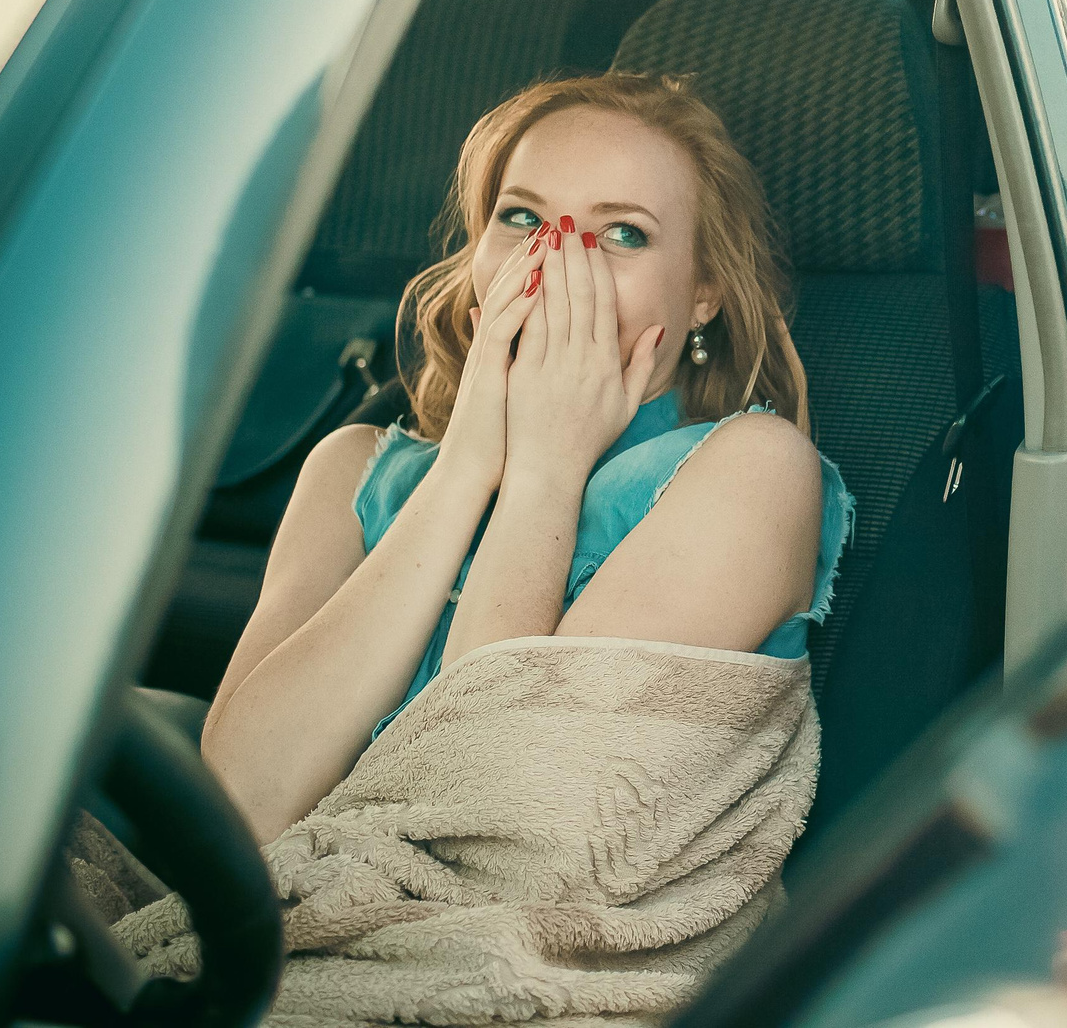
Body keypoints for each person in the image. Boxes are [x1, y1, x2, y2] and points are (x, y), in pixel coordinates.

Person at [202, 70, 854, 843]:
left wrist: (547, 465)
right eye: (522, 217)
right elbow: (235, 807)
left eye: (624, 232)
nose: (558, 261)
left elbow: (478, 807)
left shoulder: (753, 472)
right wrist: (466, 466)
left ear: (702, 292)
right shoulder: (350, 470)